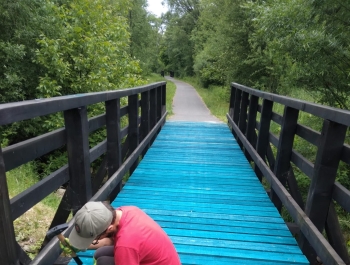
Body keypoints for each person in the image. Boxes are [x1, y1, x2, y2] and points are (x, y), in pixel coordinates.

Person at [67, 201, 181, 265]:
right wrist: (79, 245)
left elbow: (124, 245)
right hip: (157, 258)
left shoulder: (126, 244)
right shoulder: (125, 211)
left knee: (103, 262)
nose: (93, 240)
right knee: (99, 253)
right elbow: (110, 240)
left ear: (109, 229)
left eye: (94, 237)